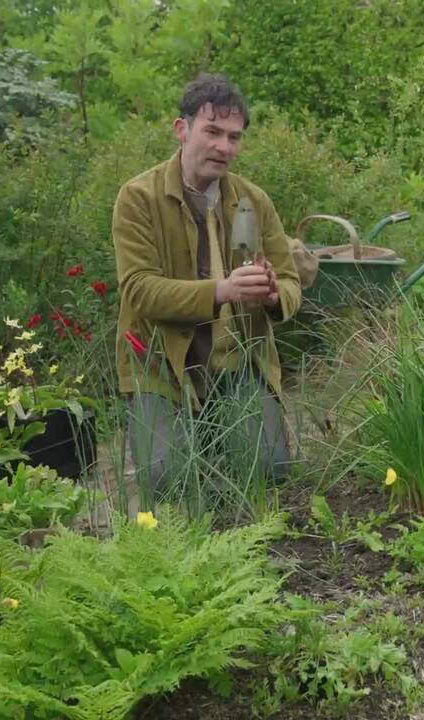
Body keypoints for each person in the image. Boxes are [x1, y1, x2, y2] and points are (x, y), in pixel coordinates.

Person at [111, 73, 301, 500]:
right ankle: (184, 436)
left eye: (234, 137)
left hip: (235, 364)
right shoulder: (138, 197)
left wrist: (272, 295)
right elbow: (139, 290)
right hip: (162, 368)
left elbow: (290, 282)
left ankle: (215, 436)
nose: (224, 147)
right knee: (166, 479)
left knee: (271, 469)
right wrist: (223, 291)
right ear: (182, 130)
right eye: (212, 131)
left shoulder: (253, 200)